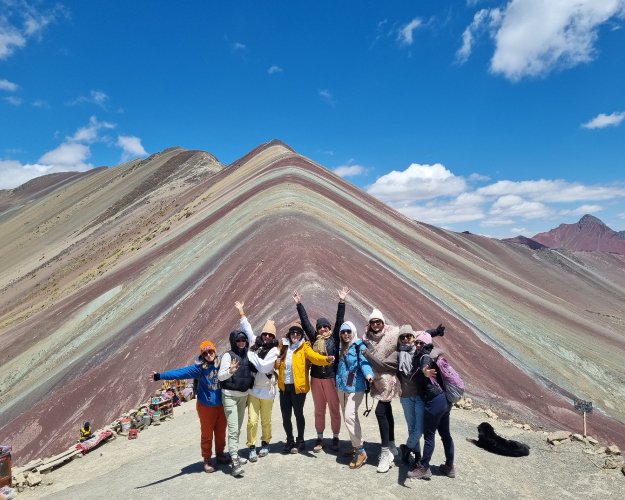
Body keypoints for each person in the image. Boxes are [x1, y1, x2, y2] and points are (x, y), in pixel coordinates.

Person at [149, 340, 228, 473]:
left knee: (221, 432)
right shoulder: (199, 368)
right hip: (206, 406)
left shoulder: (221, 363)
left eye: (211, 351)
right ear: (202, 355)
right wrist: (160, 376)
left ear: (215, 351)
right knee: (207, 433)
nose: (209, 355)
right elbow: (181, 372)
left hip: (221, 405)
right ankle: (207, 458)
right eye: (205, 353)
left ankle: (220, 454)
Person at [364, 324, 435, 472]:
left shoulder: (420, 352)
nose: (405, 339)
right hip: (406, 397)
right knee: (411, 428)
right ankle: (417, 456)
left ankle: (406, 448)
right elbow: (382, 366)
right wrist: (367, 354)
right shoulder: (397, 354)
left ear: (413, 338)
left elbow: (427, 338)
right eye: (402, 337)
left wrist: (435, 333)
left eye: (408, 336)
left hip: (420, 397)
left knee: (419, 430)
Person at [293, 287, 349, 452]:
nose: (322, 329)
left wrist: (342, 301)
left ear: (329, 328)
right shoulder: (313, 338)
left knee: (334, 409)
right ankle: (319, 438)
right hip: (316, 379)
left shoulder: (335, 339)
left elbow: (340, 320)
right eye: (320, 327)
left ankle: (336, 437)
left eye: (325, 327)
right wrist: (299, 304)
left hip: (331, 379)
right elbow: (305, 322)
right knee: (319, 409)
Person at [275, 320, 334, 454]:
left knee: (298, 414)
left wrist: (326, 359)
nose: (295, 335)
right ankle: (289, 440)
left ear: (301, 335)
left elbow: (314, 357)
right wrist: (276, 363)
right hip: (284, 387)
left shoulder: (305, 347)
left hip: (298, 388)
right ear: (289, 335)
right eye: (292, 333)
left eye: (297, 333)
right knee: (285, 415)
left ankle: (300, 441)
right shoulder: (283, 346)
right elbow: (276, 363)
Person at [235, 301, 280, 463]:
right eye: (265, 334)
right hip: (253, 390)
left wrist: (250, 355)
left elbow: (262, 367)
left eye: (270, 335)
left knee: (266, 420)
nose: (267, 337)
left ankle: (266, 442)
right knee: (252, 420)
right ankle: (251, 446)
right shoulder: (255, 342)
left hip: (267, 391)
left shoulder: (275, 351)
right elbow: (247, 328)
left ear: (274, 337)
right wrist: (241, 312)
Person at [407, 331, 455, 479]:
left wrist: (425, 371)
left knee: (429, 436)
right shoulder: (432, 354)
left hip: (434, 401)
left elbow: (425, 364)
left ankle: (424, 468)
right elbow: (426, 333)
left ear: (427, 345)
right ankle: (449, 467)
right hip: (444, 400)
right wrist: (436, 331)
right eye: (417, 342)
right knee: (445, 434)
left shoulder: (425, 356)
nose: (418, 345)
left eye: (422, 343)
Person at [362, 308, 401, 469]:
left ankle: (386, 453)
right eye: (373, 322)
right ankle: (391, 444)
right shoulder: (367, 337)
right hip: (376, 380)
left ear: (383, 322)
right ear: (370, 324)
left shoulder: (393, 333)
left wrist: (433, 332)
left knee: (380, 411)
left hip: (389, 378)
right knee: (387, 410)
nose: (376, 325)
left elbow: (412, 333)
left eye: (379, 322)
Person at [335, 320, 374, 469]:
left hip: (356, 387)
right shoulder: (340, 346)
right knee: (350, 417)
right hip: (342, 387)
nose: (345, 334)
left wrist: (369, 374)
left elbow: (364, 362)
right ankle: (355, 443)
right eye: (343, 332)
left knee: (349, 417)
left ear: (353, 332)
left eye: (348, 331)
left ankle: (361, 451)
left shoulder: (358, 345)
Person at [218, 329, 254, 476]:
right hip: (230, 396)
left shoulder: (247, 354)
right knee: (233, 428)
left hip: (243, 396)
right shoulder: (228, 355)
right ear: (233, 341)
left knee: (237, 428)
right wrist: (230, 371)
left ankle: (235, 453)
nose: (241, 342)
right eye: (238, 340)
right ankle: (234, 461)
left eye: (243, 340)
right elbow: (220, 377)